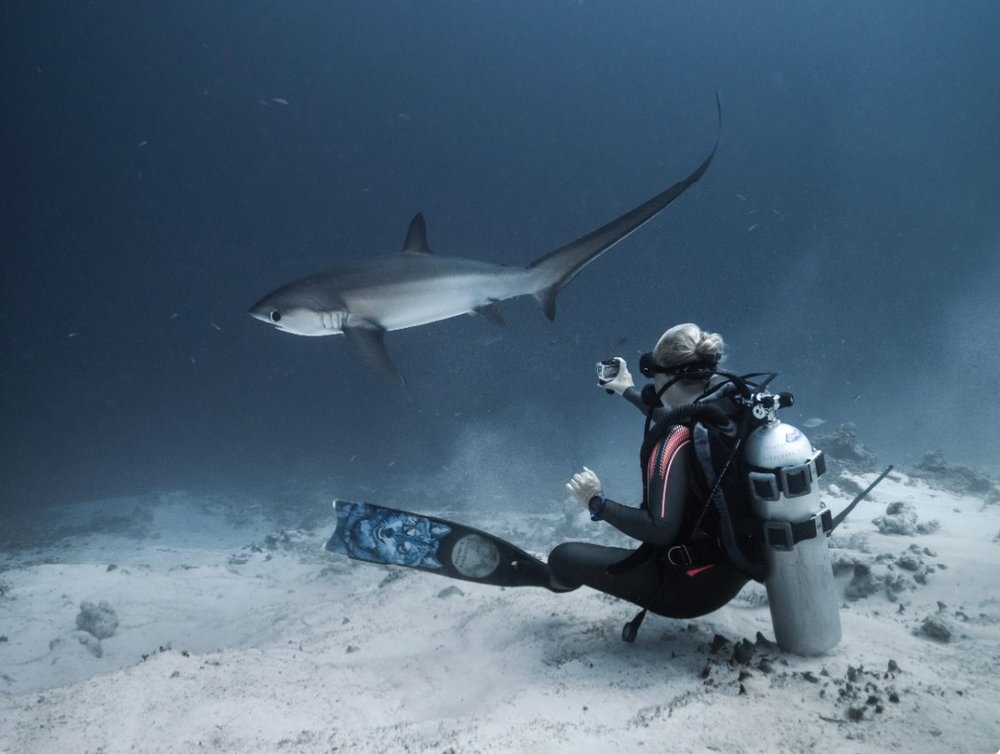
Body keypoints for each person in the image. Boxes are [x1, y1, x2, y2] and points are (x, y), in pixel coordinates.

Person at [547, 323, 750, 620]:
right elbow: (679, 415)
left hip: (691, 590)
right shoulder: (731, 409)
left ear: (666, 377)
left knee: (562, 557)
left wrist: (596, 502)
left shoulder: (673, 441)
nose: (652, 385)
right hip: (739, 565)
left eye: (652, 374)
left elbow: (658, 529)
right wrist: (626, 389)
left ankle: (554, 581)